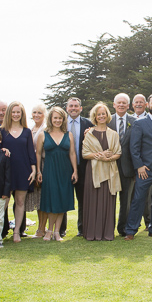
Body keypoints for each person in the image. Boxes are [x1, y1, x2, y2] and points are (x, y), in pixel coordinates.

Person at [125, 94, 152, 239]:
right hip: (145, 170)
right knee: (138, 200)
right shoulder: (140, 123)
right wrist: (139, 166)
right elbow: (134, 147)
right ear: (148, 105)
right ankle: (131, 230)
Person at [81, 103, 122, 241]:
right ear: (95, 116)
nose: (101, 116)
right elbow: (85, 154)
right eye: (98, 114)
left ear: (107, 115)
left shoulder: (113, 134)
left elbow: (118, 153)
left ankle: (107, 233)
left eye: (103, 113)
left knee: (107, 201)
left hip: (109, 172)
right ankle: (92, 233)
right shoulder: (89, 134)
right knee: (93, 201)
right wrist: (100, 155)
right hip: (92, 172)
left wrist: (106, 158)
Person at [0, 101, 37, 243]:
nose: (16, 115)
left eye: (18, 112)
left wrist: (33, 170)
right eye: (13, 112)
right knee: (3, 202)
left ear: (22, 114)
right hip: (6, 172)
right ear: (9, 113)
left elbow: (30, 153)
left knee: (20, 202)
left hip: (23, 170)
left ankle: (17, 232)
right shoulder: (2, 131)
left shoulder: (27, 132)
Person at [39, 107, 77, 241]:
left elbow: (72, 153)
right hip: (49, 170)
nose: (57, 120)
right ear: (50, 119)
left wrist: (75, 171)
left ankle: (56, 232)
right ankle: (49, 231)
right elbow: (38, 154)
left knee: (62, 200)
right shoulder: (43, 134)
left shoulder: (69, 135)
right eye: (55, 117)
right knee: (52, 200)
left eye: (60, 118)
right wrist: (38, 171)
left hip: (65, 171)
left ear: (63, 119)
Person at [65, 97, 94, 237]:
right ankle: (61, 229)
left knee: (83, 199)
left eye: (76, 106)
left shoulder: (88, 124)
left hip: (83, 167)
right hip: (64, 166)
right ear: (67, 108)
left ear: (81, 108)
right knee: (63, 197)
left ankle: (82, 228)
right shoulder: (60, 124)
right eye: (71, 106)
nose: (73, 108)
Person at [110, 93, 138, 237]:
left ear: (128, 106)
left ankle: (124, 228)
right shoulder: (107, 120)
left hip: (128, 168)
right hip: (109, 167)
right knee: (109, 199)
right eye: (118, 102)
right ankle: (107, 228)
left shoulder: (135, 121)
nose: (121, 105)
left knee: (126, 200)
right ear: (114, 105)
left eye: (124, 103)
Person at [130, 93, 152, 230]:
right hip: (130, 162)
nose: (138, 104)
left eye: (141, 102)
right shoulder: (128, 119)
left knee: (147, 196)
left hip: (147, 164)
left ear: (146, 105)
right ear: (132, 105)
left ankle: (148, 223)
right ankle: (133, 222)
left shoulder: (151, 119)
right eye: (136, 102)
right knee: (132, 196)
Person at [26, 103, 47, 237]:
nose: (36, 115)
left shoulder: (45, 128)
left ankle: (42, 228)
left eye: (39, 112)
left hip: (43, 165)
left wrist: (38, 170)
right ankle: (40, 228)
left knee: (43, 198)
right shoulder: (31, 128)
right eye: (34, 112)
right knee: (37, 198)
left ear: (44, 114)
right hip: (31, 165)